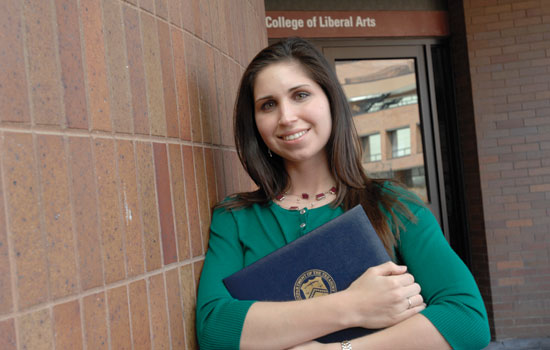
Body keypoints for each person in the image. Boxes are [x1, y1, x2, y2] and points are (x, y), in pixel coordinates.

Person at [196, 37, 490, 350]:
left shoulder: (391, 204)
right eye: (268, 105)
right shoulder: (235, 217)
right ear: (254, 123)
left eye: (300, 95)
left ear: (331, 100)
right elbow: (215, 330)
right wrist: (353, 306)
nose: (286, 117)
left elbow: (467, 319)